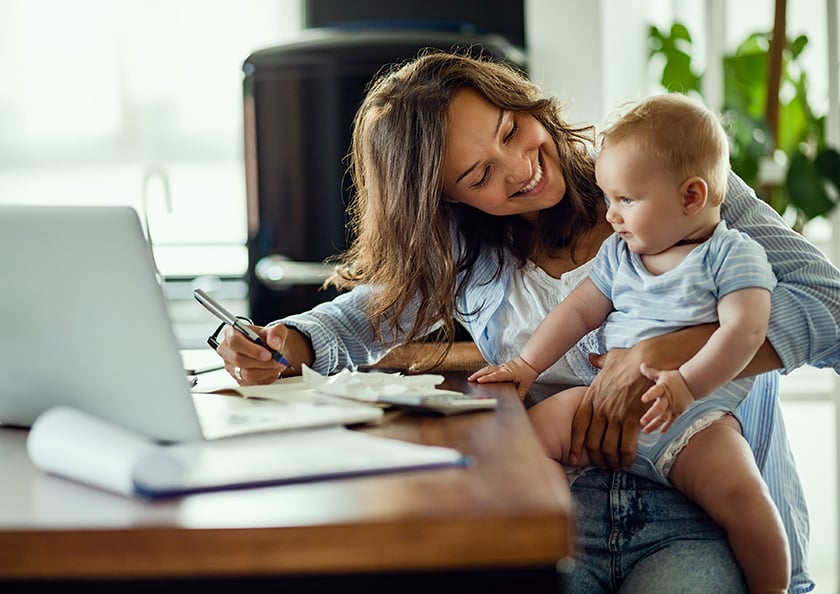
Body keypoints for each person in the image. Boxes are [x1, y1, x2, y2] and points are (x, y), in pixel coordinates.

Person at [214, 50, 840, 593]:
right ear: (445, 199)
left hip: (701, 505)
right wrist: (284, 341)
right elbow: (364, 314)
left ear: (524, 102)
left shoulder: (667, 174)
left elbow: (832, 309)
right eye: (479, 174)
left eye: (512, 130)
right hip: (562, 505)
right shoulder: (468, 248)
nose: (520, 167)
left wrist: (667, 353)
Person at [469, 93, 788, 593]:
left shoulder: (732, 255)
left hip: (694, 419)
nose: (611, 215)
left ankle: (774, 586)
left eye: (627, 201)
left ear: (690, 197)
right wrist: (527, 365)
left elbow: (744, 333)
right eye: (608, 198)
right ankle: (557, 540)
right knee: (527, 436)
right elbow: (577, 310)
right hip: (603, 403)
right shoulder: (620, 255)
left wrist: (685, 384)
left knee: (746, 499)